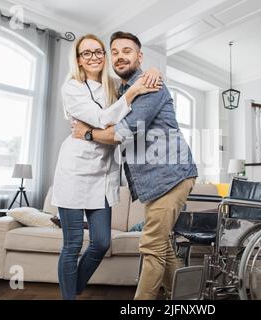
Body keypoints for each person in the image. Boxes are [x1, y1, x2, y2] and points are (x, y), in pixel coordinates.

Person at [70, 31, 198, 300]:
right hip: (154, 181)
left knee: (151, 245)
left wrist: (88, 134)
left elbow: (123, 133)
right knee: (163, 246)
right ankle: (188, 297)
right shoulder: (123, 89)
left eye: (127, 51)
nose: (119, 56)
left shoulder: (151, 86)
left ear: (139, 56)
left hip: (172, 175)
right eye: (114, 52)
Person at [51, 33, 162, 300]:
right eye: (86, 53)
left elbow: (136, 79)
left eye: (98, 51)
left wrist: (154, 70)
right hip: (74, 172)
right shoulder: (72, 88)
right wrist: (134, 92)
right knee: (73, 244)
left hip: (103, 175)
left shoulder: (113, 84)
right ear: (78, 59)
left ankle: (73, 286)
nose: (94, 57)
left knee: (101, 242)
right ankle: (70, 296)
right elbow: (102, 119)